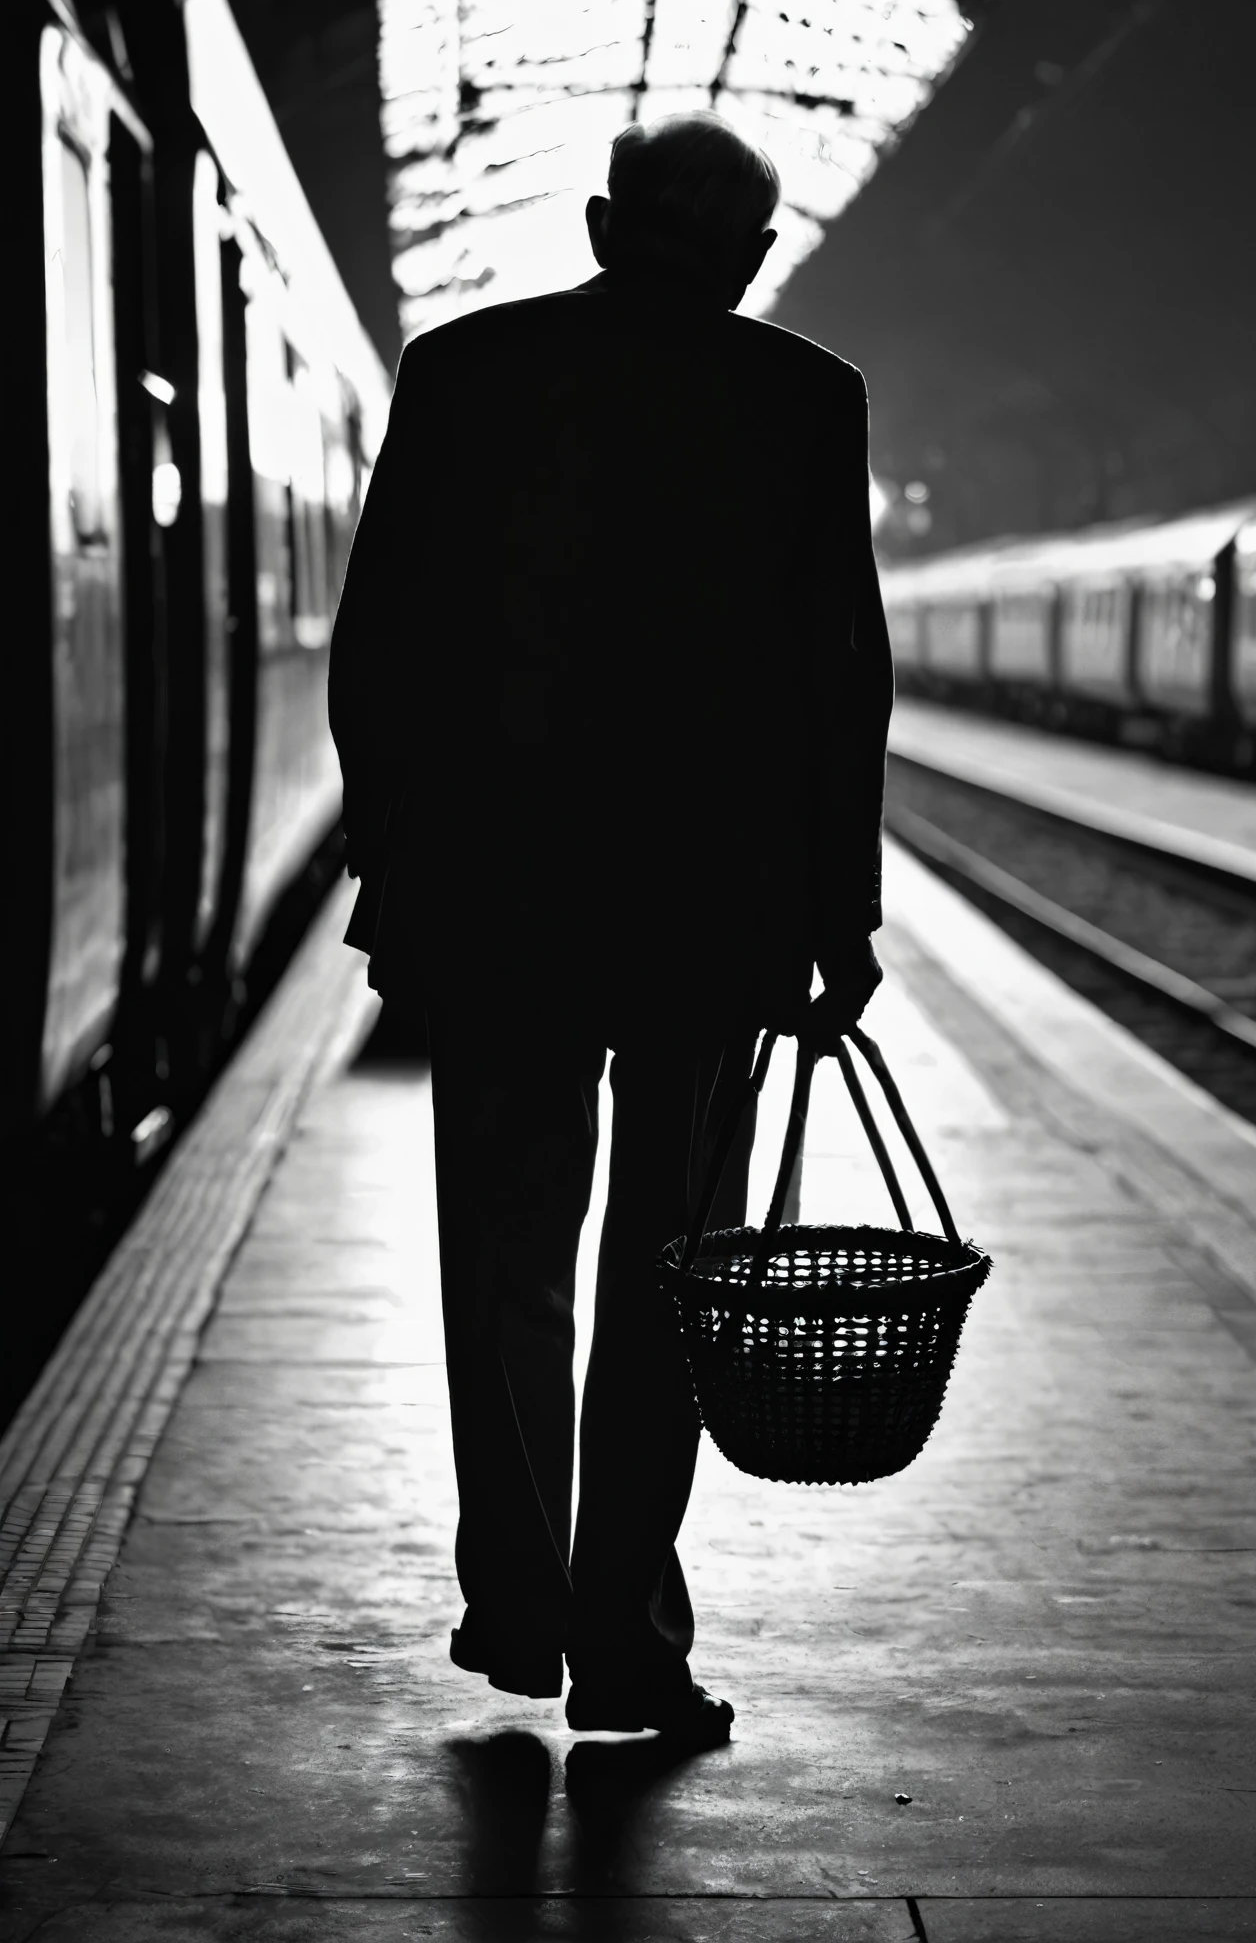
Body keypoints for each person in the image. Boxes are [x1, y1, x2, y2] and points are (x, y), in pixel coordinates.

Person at [328, 112, 893, 1743]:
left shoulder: (461, 372)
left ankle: (515, 1613)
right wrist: (837, 912)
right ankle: (628, 1640)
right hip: (713, 921)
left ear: (593, 222)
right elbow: (837, 675)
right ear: (753, 259)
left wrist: (402, 857)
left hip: (494, 907)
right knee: (673, 1272)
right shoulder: (805, 398)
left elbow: (378, 649)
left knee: (505, 1255)